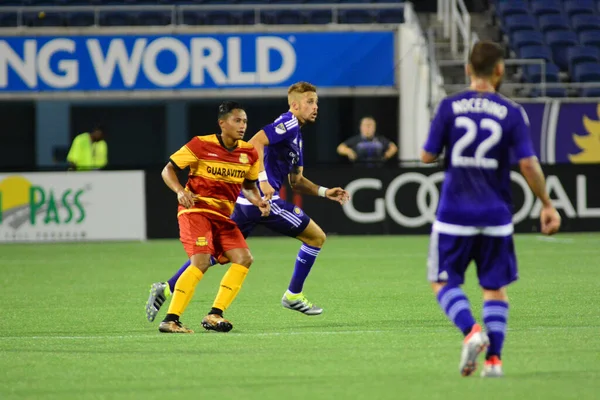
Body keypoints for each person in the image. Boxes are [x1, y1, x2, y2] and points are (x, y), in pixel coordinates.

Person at [146, 82, 350, 327]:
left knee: (217, 254)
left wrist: (325, 192)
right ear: (294, 105)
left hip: (246, 203)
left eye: (316, 102)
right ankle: (293, 295)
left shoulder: (297, 137)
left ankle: (167, 288)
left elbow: (296, 181)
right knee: (316, 237)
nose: (315, 107)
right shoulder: (290, 122)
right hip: (261, 202)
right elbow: (255, 143)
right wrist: (263, 182)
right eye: (309, 102)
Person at [420, 41, 561, 377]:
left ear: (468, 69)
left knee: (442, 280)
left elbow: (427, 156)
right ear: (500, 70)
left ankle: (471, 332)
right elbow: (528, 164)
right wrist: (546, 203)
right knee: (495, 288)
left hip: (454, 213)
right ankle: (494, 362)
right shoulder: (512, 112)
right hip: (496, 215)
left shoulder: (449, 107)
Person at [157, 101, 270, 334]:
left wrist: (257, 199)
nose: (242, 126)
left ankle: (215, 314)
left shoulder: (248, 152)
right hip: (196, 212)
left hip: (222, 217)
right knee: (201, 261)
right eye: (237, 120)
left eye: (245, 121)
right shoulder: (200, 144)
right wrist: (180, 191)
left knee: (244, 258)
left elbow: (248, 185)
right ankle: (171, 319)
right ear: (222, 123)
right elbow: (167, 170)